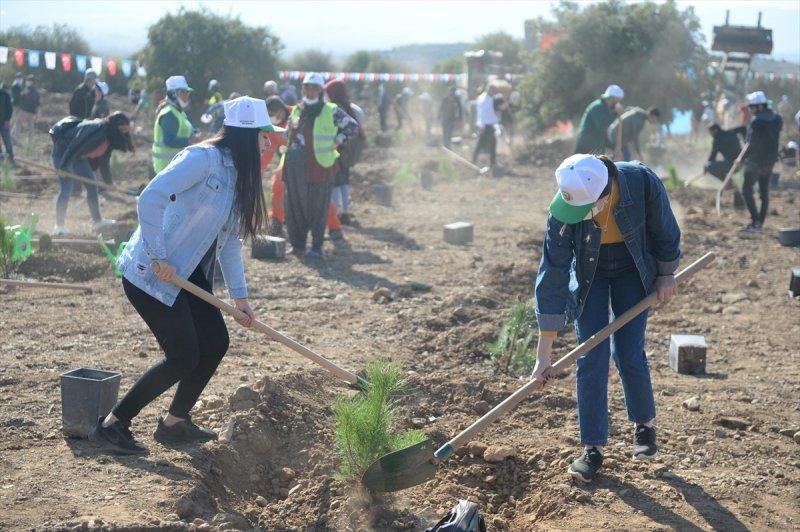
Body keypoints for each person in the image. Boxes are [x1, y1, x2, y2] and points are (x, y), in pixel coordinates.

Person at [88, 96, 272, 454]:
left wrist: (241, 298)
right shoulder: (201, 160)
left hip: (186, 272)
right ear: (249, 136)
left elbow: (231, 243)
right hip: (151, 271)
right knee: (183, 354)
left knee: (215, 342)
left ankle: (174, 424)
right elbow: (150, 197)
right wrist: (158, 255)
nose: (269, 143)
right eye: (265, 135)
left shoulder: (240, 177)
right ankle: (112, 425)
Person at [533, 154, 680, 484]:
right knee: (591, 356)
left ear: (602, 195)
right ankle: (593, 447)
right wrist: (543, 354)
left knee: (627, 351)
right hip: (590, 273)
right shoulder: (565, 208)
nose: (575, 216)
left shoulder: (640, 182)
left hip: (634, 266)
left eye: (582, 210)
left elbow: (665, 229)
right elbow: (552, 275)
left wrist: (666, 273)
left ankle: (644, 426)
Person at [282, 73, 359, 259]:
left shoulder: (330, 110)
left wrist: (338, 140)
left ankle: (316, 247)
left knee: (318, 208)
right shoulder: (297, 110)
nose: (310, 91)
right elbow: (287, 134)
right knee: (295, 206)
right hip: (295, 166)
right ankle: (298, 245)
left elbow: (352, 126)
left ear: (320, 90)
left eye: (314, 88)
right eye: (307, 87)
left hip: (321, 166)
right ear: (303, 89)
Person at [49, 111, 134, 235]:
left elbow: (104, 161)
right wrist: (63, 166)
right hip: (63, 153)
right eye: (123, 129)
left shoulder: (109, 137)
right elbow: (75, 144)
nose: (124, 133)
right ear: (117, 125)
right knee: (67, 188)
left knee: (92, 185)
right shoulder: (97, 128)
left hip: (78, 157)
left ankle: (97, 222)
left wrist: (108, 183)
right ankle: (59, 226)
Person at [733, 91, 783, 233]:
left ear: (760, 105)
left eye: (752, 107)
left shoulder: (757, 122)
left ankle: (755, 222)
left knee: (746, 190)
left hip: (755, 162)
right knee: (764, 192)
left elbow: (751, 144)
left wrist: (740, 159)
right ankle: (759, 222)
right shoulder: (777, 118)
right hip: (770, 160)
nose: (750, 110)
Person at [325, 79, 365, 228]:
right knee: (343, 183)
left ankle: (336, 215)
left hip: (338, 151)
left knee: (335, 183)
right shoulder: (352, 108)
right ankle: (345, 213)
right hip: (348, 152)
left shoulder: (335, 108)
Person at [152, 76, 194, 175]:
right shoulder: (169, 114)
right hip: (167, 168)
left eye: (187, 93)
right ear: (174, 94)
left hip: (176, 166)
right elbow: (169, 141)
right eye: (184, 93)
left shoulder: (179, 113)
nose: (186, 96)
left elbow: (186, 130)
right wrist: (190, 141)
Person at [574, 85, 624, 155]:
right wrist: (615, 114)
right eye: (618, 100)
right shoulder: (597, 107)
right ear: (612, 98)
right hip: (586, 148)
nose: (618, 103)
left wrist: (614, 148)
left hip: (595, 149)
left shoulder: (605, 109)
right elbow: (602, 126)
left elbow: (603, 134)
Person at [472, 83, 500, 171]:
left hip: (489, 125)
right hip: (485, 125)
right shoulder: (484, 99)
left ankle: (492, 162)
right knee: (482, 143)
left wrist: (496, 121)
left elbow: (490, 113)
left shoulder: (488, 98)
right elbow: (482, 114)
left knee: (490, 143)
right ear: (490, 90)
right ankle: (476, 159)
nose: (495, 93)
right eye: (494, 91)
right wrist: (481, 126)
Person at [17, 75, 40, 143]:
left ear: (30, 81)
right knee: (31, 127)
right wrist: (37, 114)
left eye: (28, 80)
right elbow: (38, 104)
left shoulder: (26, 89)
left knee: (18, 123)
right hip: (32, 112)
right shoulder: (36, 91)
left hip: (24, 111)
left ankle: (15, 138)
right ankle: (31, 142)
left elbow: (20, 97)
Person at [0, 82, 14, 164]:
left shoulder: (5, 94)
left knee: (7, 139)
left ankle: (10, 156)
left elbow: (10, 108)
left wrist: (8, 120)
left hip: (4, 122)